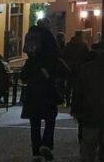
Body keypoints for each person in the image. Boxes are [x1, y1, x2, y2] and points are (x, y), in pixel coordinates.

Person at [20, 26, 69, 161]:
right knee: (50, 120)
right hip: (49, 93)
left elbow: (23, 76)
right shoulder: (53, 59)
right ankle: (46, 144)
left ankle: (36, 151)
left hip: (32, 95)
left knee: (34, 124)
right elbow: (66, 73)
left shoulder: (31, 60)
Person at [61, 32, 89, 106]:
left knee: (69, 85)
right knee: (77, 86)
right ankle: (75, 102)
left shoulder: (69, 45)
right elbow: (87, 57)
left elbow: (64, 56)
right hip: (79, 68)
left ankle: (67, 101)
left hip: (70, 67)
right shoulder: (83, 45)